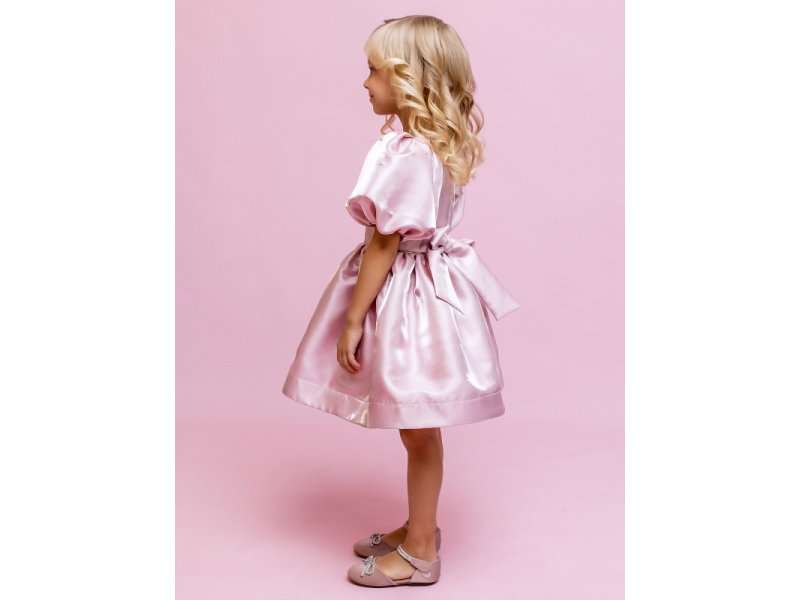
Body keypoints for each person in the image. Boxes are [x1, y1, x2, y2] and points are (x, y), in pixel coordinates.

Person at [281, 15, 521, 587]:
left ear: (410, 78)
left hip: (408, 298)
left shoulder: (407, 152)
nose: (365, 83)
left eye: (374, 70)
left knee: (417, 427)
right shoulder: (429, 144)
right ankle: (420, 526)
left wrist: (353, 318)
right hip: (431, 290)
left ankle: (419, 553)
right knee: (418, 428)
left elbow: (385, 240)